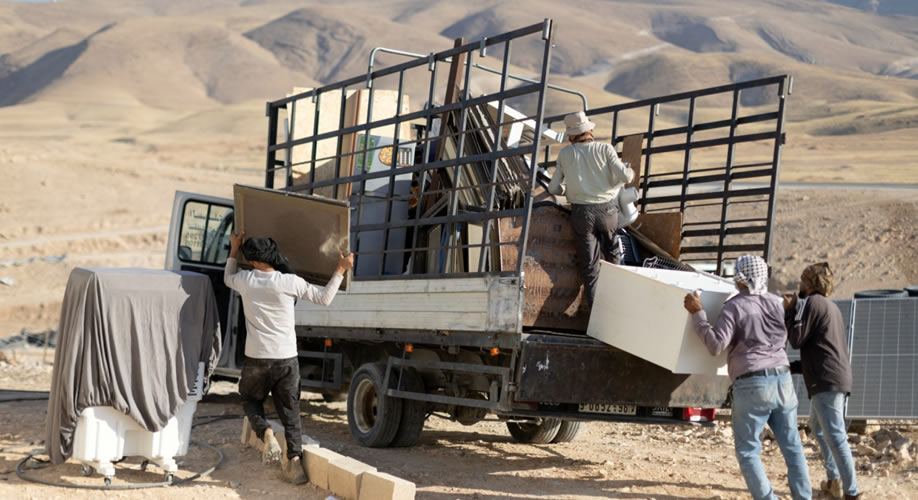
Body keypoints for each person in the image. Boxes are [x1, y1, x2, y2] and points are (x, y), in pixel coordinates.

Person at [225, 232, 353, 483]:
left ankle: (266, 433)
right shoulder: (290, 282)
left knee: (250, 399)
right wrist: (341, 268)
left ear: (253, 261)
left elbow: (227, 276)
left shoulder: (245, 280)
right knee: (290, 412)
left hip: (257, 358)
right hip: (286, 359)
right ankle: (294, 463)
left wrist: (233, 248)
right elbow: (324, 298)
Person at [683, 255, 811, 500]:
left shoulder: (734, 306)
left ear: (740, 278)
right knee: (793, 447)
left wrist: (698, 314)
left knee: (749, 451)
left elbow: (716, 345)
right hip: (783, 381)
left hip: (752, 384)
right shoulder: (777, 303)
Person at [785, 262, 860, 500]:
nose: (800, 285)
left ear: (809, 284)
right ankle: (834, 482)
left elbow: (796, 339)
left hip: (826, 381)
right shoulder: (830, 306)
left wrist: (790, 310)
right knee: (817, 428)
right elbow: (820, 348)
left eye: (803, 280)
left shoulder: (812, 303)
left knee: (835, 436)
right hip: (832, 378)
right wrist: (793, 367)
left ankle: (852, 492)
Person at [548, 111, 634, 304]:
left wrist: (569, 190)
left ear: (571, 136)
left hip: (581, 214)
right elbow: (626, 177)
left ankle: (596, 310)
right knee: (614, 253)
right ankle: (616, 299)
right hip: (608, 211)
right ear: (590, 131)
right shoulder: (606, 149)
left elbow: (553, 188)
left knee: (590, 267)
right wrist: (630, 171)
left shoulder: (565, 154)